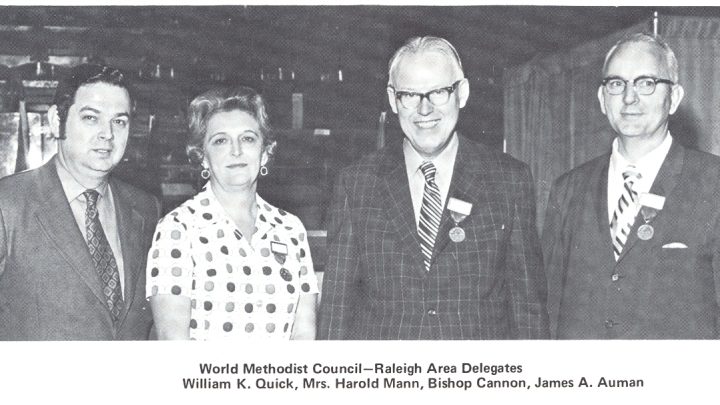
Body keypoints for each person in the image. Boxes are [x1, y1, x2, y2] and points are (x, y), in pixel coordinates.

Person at [319, 36, 549, 340]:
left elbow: (528, 309)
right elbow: (336, 314)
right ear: (392, 98)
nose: (424, 109)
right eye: (410, 95)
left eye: (439, 92)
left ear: (462, 93)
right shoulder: (357, 183)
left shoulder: (509, 180)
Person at [543, 33, 720, 339]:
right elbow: (549, 306)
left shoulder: (712, 183)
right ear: (602, 99)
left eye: (646, 83)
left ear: (674, 98)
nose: (629, 97)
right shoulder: (568, 189)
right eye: (616, 84)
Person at [0, 64, 160, 340]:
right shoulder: (8, 204)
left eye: (119, 121)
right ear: (56, 120)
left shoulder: (146, 208)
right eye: (91, 118)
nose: (107, 134)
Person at [146, 86, 318, 340]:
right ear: (202, 156)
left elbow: (304, 336)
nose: (236, 150)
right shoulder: (178, 229)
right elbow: (173, 342)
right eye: (220, 140)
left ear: (266, 152)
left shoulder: (291, 229)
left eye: (248, 138)